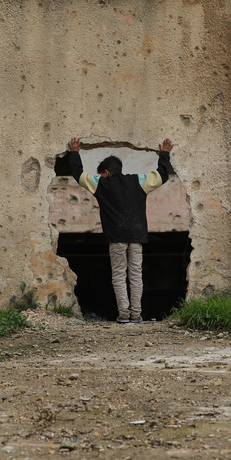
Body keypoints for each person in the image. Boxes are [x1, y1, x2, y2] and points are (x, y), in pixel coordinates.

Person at [67, 137, 173, 323]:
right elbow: (161, 175)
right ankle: (136, 314)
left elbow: (79, 175)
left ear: (106, 172)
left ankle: (123, 314)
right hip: (137, 235)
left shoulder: (101, 184)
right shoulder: (139, 181)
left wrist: (75, 153)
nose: (100, 176)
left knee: (118, 274)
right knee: (135, 274)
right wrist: (164, 153)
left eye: (101, 174)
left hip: (116, 237)